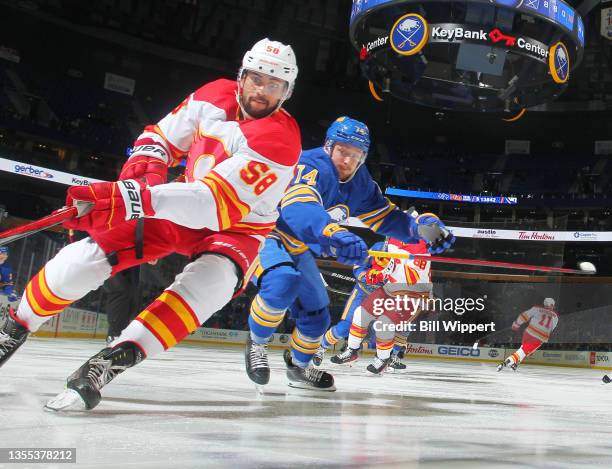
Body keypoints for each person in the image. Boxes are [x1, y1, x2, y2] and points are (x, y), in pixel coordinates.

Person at [0, 38, 301, 411]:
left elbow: (214, 207)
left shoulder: (282, 139)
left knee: (211, 285)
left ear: (287, 92)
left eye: (275, 85)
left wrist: (133, 199)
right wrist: (144, 174)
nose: (262, 91)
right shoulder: (213, 94)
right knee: (85, 256)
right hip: (179, 201)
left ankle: (107, 363)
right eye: (257, 79)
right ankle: (14, 327)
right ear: (242, 76)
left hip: (235, 227)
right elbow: (158, 137)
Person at [244, 117, 454, 390]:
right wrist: (331, 232)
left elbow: (387, 218)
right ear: (329, 147)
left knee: (317, 315)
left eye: (355, 156)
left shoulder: (361, 182)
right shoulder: (310, 164)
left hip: (299, 245)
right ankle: (257, 343)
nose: (347, 161)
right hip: (263, 233)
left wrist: (420, 230)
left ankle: (299, 368)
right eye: (343, 151)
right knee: (282, 282)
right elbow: (298, 207)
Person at [331, 237, 432, 374]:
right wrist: (375, 275)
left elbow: (433, 235)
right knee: (360, 314)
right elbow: (387, 269)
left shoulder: (421, 245)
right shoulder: (390, 243)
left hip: (412, 294)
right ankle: (351, 351)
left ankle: (384, 359)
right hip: (390, 288)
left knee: (386, 324)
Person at [497, 297, 559, 371]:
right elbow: (551, 329)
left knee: (523, 349)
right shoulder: (556, 317)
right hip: (539, 338)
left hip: (528, 332)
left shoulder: (536, 308)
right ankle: (505, 363)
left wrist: (516, 324)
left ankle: (516, 363)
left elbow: (524, 315)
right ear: (552, 305)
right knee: (523, 352)